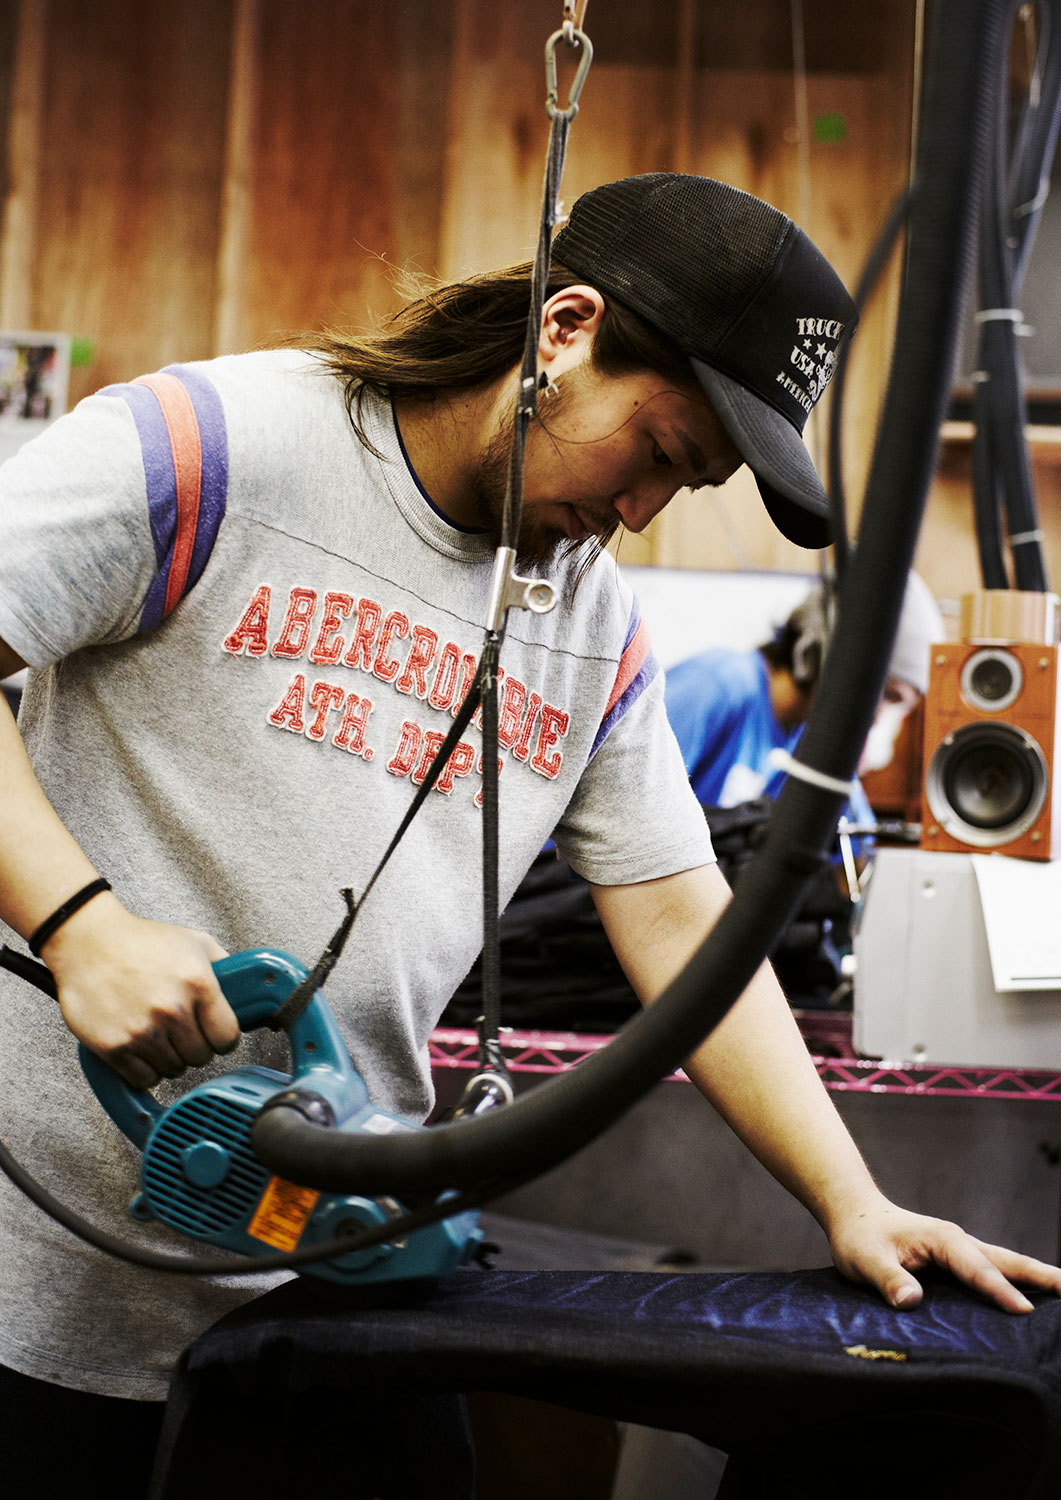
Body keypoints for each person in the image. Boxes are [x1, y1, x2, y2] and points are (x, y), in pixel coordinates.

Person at [0, 173, 1057, 1494]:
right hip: (45, 1288)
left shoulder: (592, 625)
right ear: (564, 329)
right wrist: (78, 923)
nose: (640, 513)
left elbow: (681, 924)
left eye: (687, 485)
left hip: (338, 1287)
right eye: (657, 451)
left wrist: (851, 1200)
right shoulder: (208, 449)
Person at [664, 571, 945, 821]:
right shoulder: (716, 687)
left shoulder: (809, 738)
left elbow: (858, 838)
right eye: (890, 695)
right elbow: (640, 811)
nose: (879, 718)